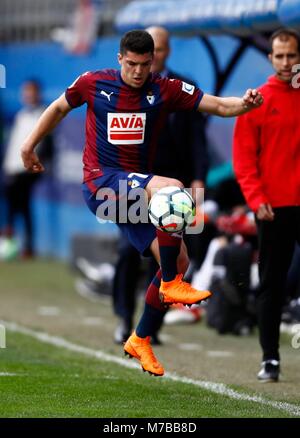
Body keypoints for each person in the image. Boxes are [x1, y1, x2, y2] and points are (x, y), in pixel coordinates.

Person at [21, 30, 263, 376]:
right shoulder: (93, 83)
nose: (137, 71)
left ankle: (141, 337)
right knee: (172, 188)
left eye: (144, 65)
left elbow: (221, 105)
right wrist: (29, 146)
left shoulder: (165, 88)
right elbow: (59, 106)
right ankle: (168, 287)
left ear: (154, 62)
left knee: (178, 260)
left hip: (131, 196)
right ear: (120, 58)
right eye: (131, 64)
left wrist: (246, 103)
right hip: (101, 185)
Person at [112, 26, 209, 344]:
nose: (143, 66)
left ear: (161, 53)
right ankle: (124, 318)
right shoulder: (119, 89)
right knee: (128, 252)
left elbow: (198, 138)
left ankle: (150, 328)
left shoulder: (183, 87)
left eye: (160, 50)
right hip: (135, 185)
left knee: (177, 260)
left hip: (175, 186)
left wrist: (198, 179)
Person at [233, 28, 300, 382]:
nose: (286, 62)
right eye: (280, 56)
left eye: (292, 55)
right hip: (273, 208)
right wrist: (257, 199)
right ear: (271, 58)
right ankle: (270, 358)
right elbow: (244, 159)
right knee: (271, 284)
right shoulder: (256, 100)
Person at [3, 79, 52, 258]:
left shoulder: (44, 114)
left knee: (22, 207)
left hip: (28, 171)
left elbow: (44, 146)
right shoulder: (21, 115)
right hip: (12, 169)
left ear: (37, 93)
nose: (27, 94)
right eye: (25, 91)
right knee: (15, 206)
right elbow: (15, 143)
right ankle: (11, 242)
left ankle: (26, 246)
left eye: (31, 91)